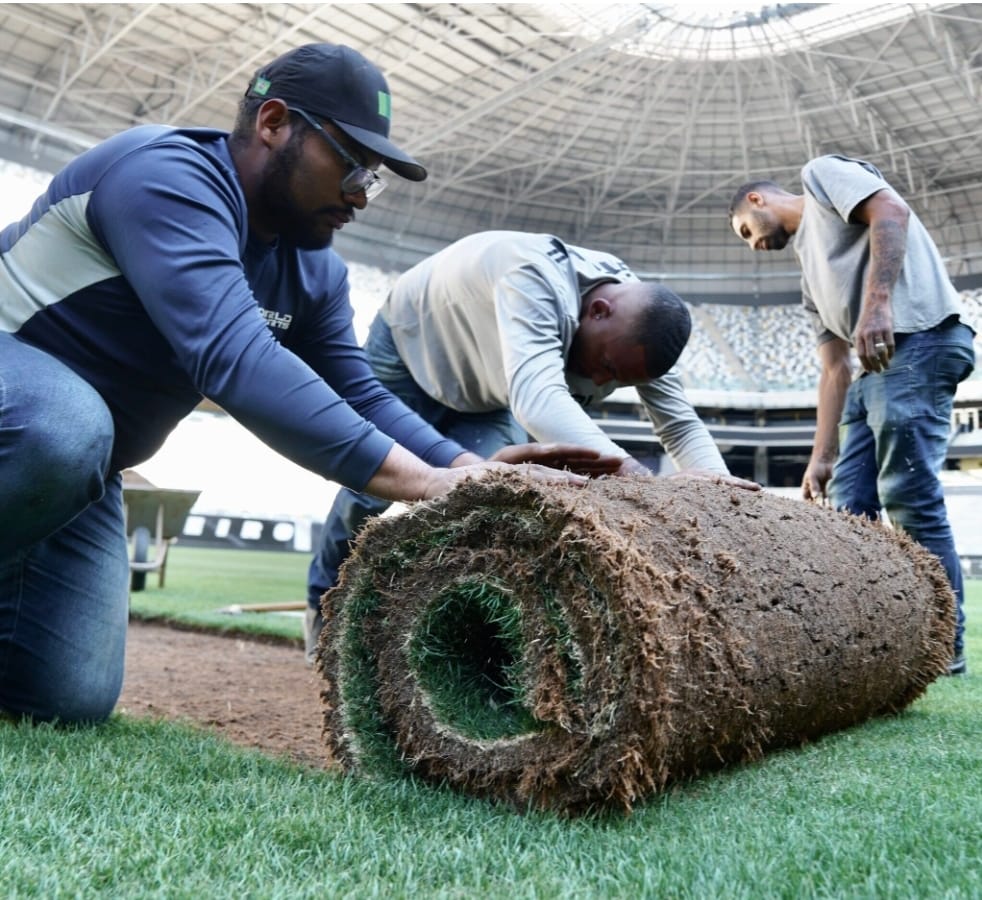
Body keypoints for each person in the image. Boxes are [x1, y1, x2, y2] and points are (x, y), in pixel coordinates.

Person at [0, 44, 603, 724]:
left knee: (65, 700)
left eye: (373, 179)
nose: (360, 196)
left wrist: (473, 469)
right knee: (66, 425)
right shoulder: (166, 176)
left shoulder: (315, 272)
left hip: (81, 468)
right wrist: (427, 484)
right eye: (351, 163)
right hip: (36, 423)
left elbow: (361, 395)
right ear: (274, 123)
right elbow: (236, 359)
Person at [305, 229, 759, 662]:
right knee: (370, 490)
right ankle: (321, 607)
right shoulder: (532, 274)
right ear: (598, 310)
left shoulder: (642, 327)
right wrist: (645, 484)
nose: (602, 382)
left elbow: (679, 425)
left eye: (618, 380)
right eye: (604, 366)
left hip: (486, 392)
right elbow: (538, 401)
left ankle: (453, 631)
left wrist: (718, 494)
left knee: (483, 496)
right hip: (410, 348)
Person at [728, 154, 976, 676]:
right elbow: (834, 368)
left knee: (909, 496)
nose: (753, 244)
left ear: (758, 200)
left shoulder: (820, 176)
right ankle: (871, 643)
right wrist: (821, 456)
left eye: (747, 230)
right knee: (849, 513)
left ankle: (942, 647)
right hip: (870, 373)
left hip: (920, 339)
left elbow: (891, 210)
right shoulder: (808, 274)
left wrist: (878, 303)